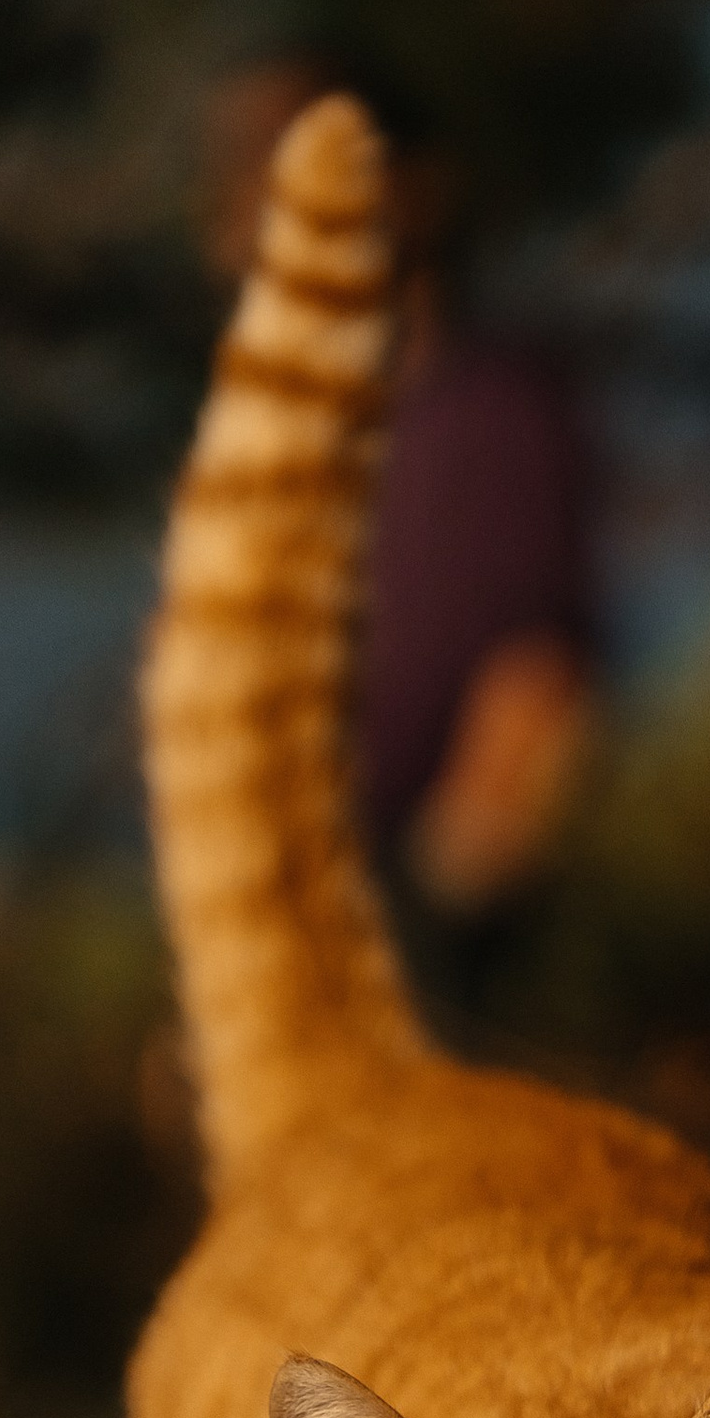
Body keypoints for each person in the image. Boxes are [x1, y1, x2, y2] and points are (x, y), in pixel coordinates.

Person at [200, 59, 599, 923]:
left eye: (302, 158)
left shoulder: (495, 407)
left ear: (417, 186)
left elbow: (536, 674)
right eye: (247, 163)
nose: (260, 194)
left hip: (407, 917)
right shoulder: (277, 444)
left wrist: (452, 893)